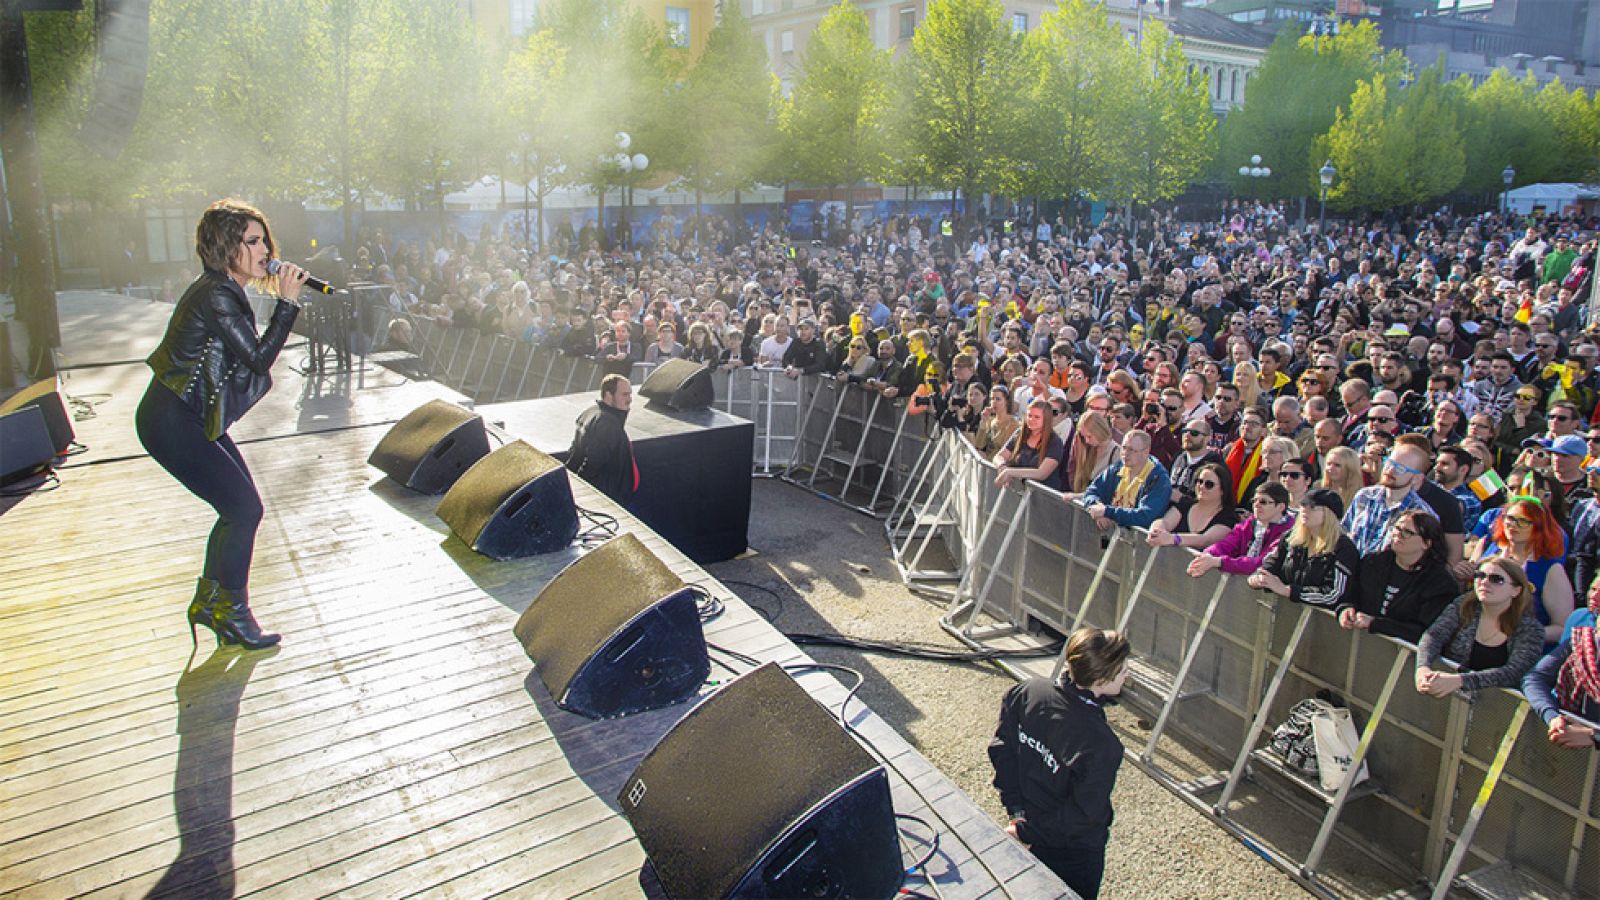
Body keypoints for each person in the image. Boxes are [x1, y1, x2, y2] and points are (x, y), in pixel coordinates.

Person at [138, 199, 308, 650]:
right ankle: (232, 613)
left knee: (239, 508)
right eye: (252, 241)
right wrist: (287, 303)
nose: (265, 249)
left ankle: (211, 601)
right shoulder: (217, 294)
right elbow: (258, 359)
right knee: (243, 510)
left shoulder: (223, 289)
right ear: (225, 247)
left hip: (186, 416)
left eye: (264, 240)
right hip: (171, 421)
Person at [989, 627, 1131, 900]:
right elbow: (1084, 815)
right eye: (1123, 669)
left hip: (1027, 819)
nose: (1128, 674)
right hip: (1072, 852)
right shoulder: (1102, 745)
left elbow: (1002, 751)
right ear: (1101, 679)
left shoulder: (1028, 691)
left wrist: (1017, 814)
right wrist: (1025, 832)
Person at [1415, 557, 1544, 697]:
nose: (1484, 582)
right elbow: (1434, 636)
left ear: (1516, 590)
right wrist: (1423, 668)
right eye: (1479, 575)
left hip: (1496, 705)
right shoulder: (1462, 606)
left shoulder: (1531, 629)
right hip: (1449, 697)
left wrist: (1460, 681)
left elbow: (1514, 672)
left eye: (1496, 579)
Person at [1340, 511, 1457, 643]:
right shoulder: (1373, 562)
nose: (1398, 535)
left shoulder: (1440, 584)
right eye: (1396, 528)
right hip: (1358, 643)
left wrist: (1376, 624)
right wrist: (1345, 609)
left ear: (1426, 543)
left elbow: (1425, 632)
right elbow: (1350, 595)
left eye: (1407, 532)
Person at [1476, 496, 1575, 646]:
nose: (1513, 525)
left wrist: (1518, 634)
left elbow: (1562, 628)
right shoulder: (1492, 551)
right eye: (1510, 518)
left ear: (1539, 526)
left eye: (1523, 521)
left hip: (1525, 648)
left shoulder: (1550, 569)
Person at [1251, 488, 1360, 610]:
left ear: (1329, 514)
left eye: (1312, 507)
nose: (1304, 510)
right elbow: (1272, 562)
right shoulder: (1291, 538)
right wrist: (1260, 577)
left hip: (1319, 620)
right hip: (1285, 613)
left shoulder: (1343, 548)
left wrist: (1290, 591)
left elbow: (1334, 595)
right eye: (1303, 505)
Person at [1186, 481, 1294, 578]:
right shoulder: (1248, 524)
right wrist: (1208, 555)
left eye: (1263, 502)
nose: (1256, 505)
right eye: (1254, 501)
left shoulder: (1287, 533)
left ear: (1281, 507)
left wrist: (1219, 562)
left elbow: (1260, 563)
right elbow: (1226, 544)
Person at [1075, 430, 1172, 530]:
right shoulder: (1117, 468)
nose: (1125, 453)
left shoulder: (1158, 479)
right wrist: (1096, 507)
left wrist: (1107, 512)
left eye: (1131, 450)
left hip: (1138, 538)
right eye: (1124, 448)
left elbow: (1145, 516)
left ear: (1145, 452)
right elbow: (1091, 491)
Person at [566, 374, 638, 506]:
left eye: (630, 394)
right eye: (624, 395)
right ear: (608, 395)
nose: (629, 399)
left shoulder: (589, 413)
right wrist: (582, 494)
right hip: (604, 499)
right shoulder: (608, 425)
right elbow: (593, 464)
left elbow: (574, 452)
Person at [1147, 462, 1239, 551]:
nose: (1201, 486)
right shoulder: (1185, 505)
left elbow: (1205, 540)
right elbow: (1165, 522)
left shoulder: (1229, 518)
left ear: (1223, 489)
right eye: (1199, 481)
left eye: (1209, 484)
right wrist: (1157, 531)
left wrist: (1173, 539)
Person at [994, 399, 1064, 491]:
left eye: (1037, 417)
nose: (1031, 420)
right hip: (1018, 492)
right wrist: (1002, 466)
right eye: (1029, 416)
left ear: (1046, 419)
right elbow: (999, 456)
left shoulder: (1055, 442)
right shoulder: (1020, 434)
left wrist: (1010, 472)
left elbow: (1041, 473)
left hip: (1042, 495)